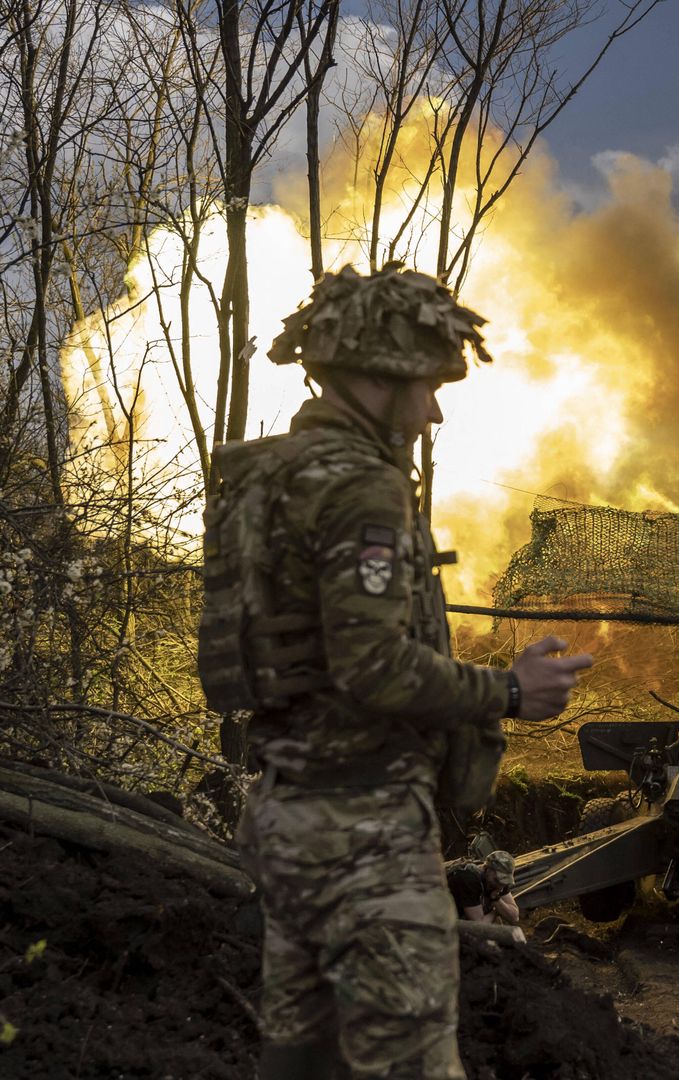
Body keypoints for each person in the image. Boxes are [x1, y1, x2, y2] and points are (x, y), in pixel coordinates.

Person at [222, 263, 593, 1080]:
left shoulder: (265, 479)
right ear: (378, 377)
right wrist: (507, 691)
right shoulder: (362, 491)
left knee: (303, 1066)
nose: (433, 407)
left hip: (286, 822)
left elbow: (304, 656)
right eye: (426, 384)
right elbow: (373, 668)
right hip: (367, 838)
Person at [446, 850, 524, 940]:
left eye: (504, 882)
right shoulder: (469, 880)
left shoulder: (499, 883)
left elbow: (514, 916)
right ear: (486, 869)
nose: (500, 886)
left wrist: (496, 899)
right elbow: (479, 925)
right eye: (497, 880)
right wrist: (496, 912)